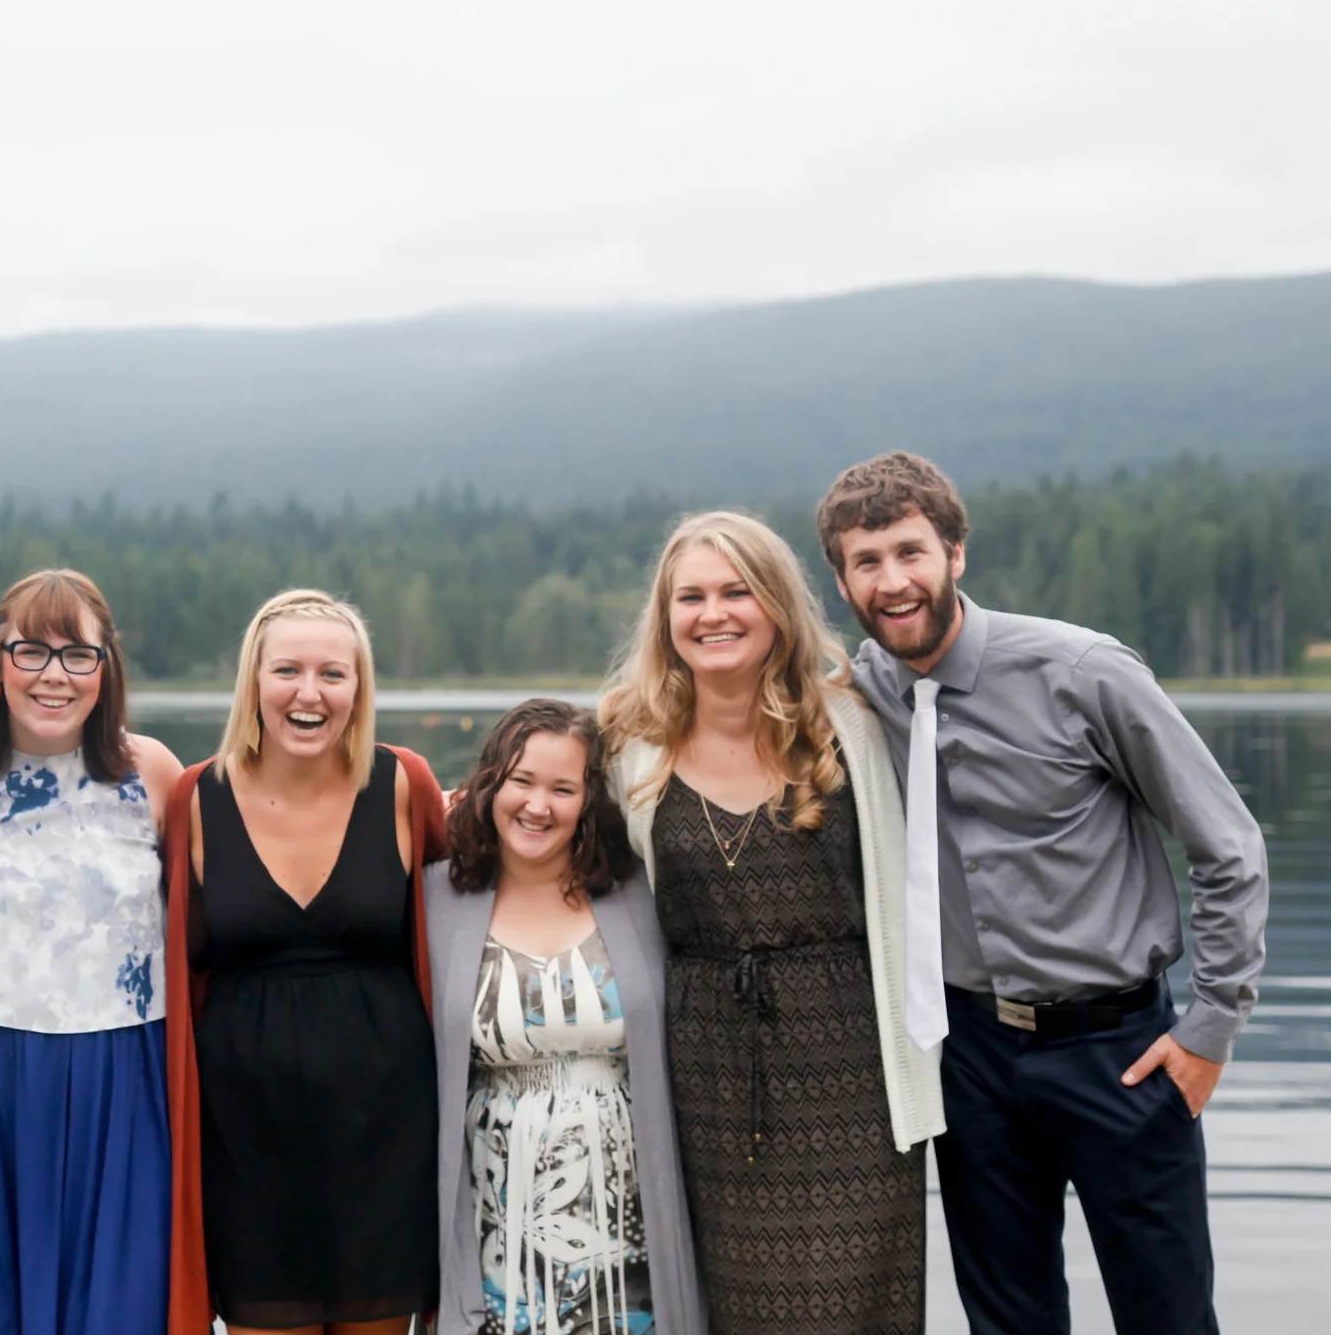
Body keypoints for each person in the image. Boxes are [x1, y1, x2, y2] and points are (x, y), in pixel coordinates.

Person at [817, 453, 1268, 1335]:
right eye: (866, 561)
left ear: (955, 552)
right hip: (970, 1057)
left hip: (1122, 1051)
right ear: (841, 580)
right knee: (1008, 1321)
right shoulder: (864, 693)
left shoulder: (1083, 672)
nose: (893, 580)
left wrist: (1212, 1026)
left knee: (1168, 1315)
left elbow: (1229, 846)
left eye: (910, 551)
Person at [599, 510, 943, 1335]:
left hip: (855, 1073)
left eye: (735, 591)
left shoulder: (853, 724)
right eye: (691, 596)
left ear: (778, 605)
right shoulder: (624, 741)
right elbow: (539, 824)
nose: (712, 613)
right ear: (666, 616)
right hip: (704, 1076)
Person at [0, 569, 187, 1335]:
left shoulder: (153, 774)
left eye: (78, 655)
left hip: (121, 1069)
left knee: (121, 1304)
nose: (54, 675)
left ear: (107, 671)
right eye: (32, 651)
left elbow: (201, 916)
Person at [161, 588, 450, 1335]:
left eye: (334, 673)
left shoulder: (403, 785)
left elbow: (467, 918)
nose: (309, 692)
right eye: (287, 669)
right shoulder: (193, 798)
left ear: (360, 689)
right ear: (253, 683)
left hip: (388, 1138)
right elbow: (170, 958)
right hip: (244, 1144)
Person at [424, 697, 706, 1335]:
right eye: (520, 781)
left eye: (562, 788)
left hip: (626, 1192)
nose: (537, 805)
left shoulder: (638, 894)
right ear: (489, 784)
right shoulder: (435, 898)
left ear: (588, 801)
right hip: (496, 1201)